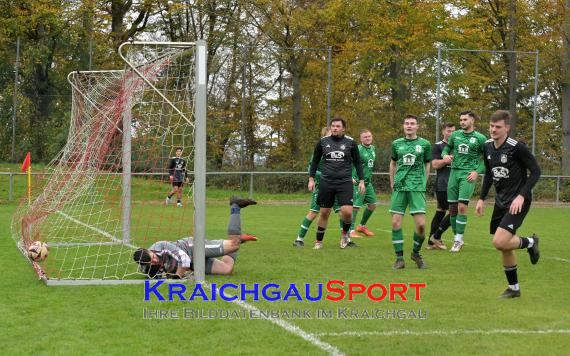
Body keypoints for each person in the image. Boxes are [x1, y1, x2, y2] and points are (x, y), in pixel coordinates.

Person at [475, 110, 541, 299]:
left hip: (518, 202)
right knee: (505, 246)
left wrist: (522, 195)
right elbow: (489, 173)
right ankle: (514, 289)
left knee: (499, 241)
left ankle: (530, 242)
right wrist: (481, 198)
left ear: (507, 128)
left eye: (498, 127)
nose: (493, 130)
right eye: (491, 126)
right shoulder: (487, 146)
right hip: (500, 201)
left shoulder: (516, 147)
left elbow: (536, 171)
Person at [134, 197, 257, 278]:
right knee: (227, 270)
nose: (154, 261)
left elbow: (185, 259)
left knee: (233, 245)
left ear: (149, 250)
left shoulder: (161, 246)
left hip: (193, 247)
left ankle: (235, 205)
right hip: (193, 263)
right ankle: (239, 240)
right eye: (150, 262)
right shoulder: (145, 267)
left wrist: (177, 277)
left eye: (152, 257)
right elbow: (159, 275)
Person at [308, 117, 365, 250]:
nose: (335, 128)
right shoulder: (322, 142)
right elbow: (315, 161)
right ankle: (318, 241)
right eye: (333, 126)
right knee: (324, 212)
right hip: (326, 181)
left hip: (344, 182)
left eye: (338, 126)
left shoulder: (351, 142)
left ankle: (344, 235)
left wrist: (361, 181)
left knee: (347, 212)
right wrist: (311, 179)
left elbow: (357, 163)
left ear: (343, 128)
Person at [389, 115, 432, 269]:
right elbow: (393, 163)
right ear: (403, 126)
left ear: (417, 126)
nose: (409, 126)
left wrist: (424, 182)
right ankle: (399, 258)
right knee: (395, 222)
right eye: (406, 123)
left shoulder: (425, 144)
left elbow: (428, 164)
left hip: (416, 188)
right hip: (400, 188)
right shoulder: (396, 144)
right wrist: (392, 182)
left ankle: (415, 253)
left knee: (421, 225)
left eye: (412, 124)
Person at [441, 111, 487, 252]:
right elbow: (446, 149)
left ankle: (457, 239)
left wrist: (476, 172)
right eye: (460, 119)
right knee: (453, 209)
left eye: (465, 119)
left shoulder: (480, 138)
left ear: (472, 120)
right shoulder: (455, 135)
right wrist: (445, 156)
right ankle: (458, 239)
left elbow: (487, 159)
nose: (462, 122)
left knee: (462, 207)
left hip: (468, 174)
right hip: (454, 173)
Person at [293, 126, 331, 247]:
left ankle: (346, 240)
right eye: (329, 135)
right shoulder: (319, 150)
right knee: (314, 213)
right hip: (321, 186)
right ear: (324, 137)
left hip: (336, 187)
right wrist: (323, 176)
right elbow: (311, 168)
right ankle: (299, 239)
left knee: (343, 212)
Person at [426, 123, 456, 250]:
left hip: (455, 184)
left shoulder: (457, 146)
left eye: (453, 131)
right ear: (443, 131)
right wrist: (445, 160)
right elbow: (434, 164)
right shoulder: (438, 146)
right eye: (449, 131)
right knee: (456, 211)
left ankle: (431, 242)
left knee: (440, 212)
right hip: (443, 184)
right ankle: (436, 236)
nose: (451, 133)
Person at [349, 129, 377, 238]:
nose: (367, 138)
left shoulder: (373, 149)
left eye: (369, 136)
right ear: (360, 139)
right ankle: (350, 231)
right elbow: (348, 163)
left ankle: (361, 226)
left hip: (367, 183)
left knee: (372, 205)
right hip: (357, 182)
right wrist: (350, 177)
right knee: (355, 206)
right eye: (365, 137)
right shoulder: (357, 149)